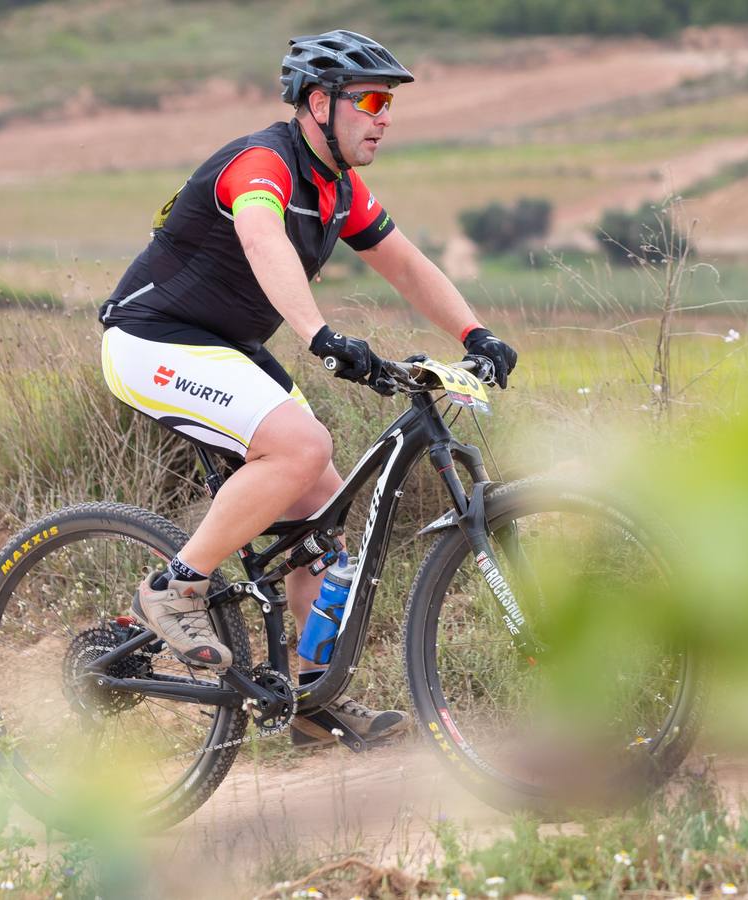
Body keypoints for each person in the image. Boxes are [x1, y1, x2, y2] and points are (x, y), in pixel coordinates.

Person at [97, 30, 518, 747]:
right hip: (152, 340)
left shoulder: (338, 187)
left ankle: (309, 697)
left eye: (389, 104)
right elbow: (262, 240)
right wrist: (322, 337)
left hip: (229, 350)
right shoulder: (262, 164)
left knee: (321, 513)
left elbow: (406, 264)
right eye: (372, 101)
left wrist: (474, 335)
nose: (384, 117)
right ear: (318, 103)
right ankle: (176, 588)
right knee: (300, 446)